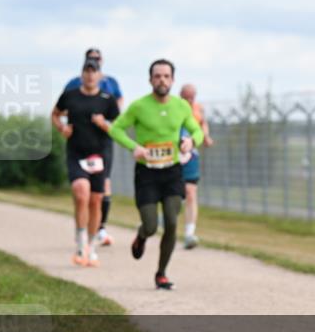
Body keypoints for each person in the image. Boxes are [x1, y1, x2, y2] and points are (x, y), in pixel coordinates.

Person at [109, 59, 204, 290]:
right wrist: (134, 147)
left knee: (171, 222)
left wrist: (191, 142)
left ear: (172, 80)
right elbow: (115, 129)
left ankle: (161, 273)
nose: (162, 80)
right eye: (157, 76)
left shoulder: (181, 106)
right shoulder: (139, 106)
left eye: (166, 76)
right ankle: (142, 236)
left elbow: (197, 131)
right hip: (147, 174)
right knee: (151, 225)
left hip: (172, 171)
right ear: (150, 79)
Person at [52, 58, 120, 267]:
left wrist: (104, 124)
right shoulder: (70, 96)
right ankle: (81, 243)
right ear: (82, 74)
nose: (90, 75)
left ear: (99, 75)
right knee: (81, 192)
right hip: (76, 152)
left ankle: (91, 247)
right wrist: (62, 128)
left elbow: (117, 126)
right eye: (87, 71)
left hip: (99, 154)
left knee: (96, 200)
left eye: (94, 71)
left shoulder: (107, 99)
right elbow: (55, 114)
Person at [64, 47, 123, 246]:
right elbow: (63, 107)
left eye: (97, 59)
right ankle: (82, 227)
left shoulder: (110, 83)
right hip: (79, 143)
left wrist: (105, 122)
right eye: (90, 59)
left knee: (102, 187)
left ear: (102, 61)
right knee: (81, 190)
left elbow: (118, 110)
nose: (94, 61)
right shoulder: (74, 83)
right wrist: (67, 125)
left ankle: (100, 229)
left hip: (101, 143)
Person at [178, 83, 214, 249]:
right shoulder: (174, 108)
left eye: (192, 97)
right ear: (180, 96)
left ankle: (189, 233)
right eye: (186, 97)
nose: (189, 100)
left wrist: (206, 136)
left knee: (191, 192)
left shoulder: (198, 109)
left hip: (191, 155)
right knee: (174, 195)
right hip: (173, 155)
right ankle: (166, 216)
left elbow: (203, 124)